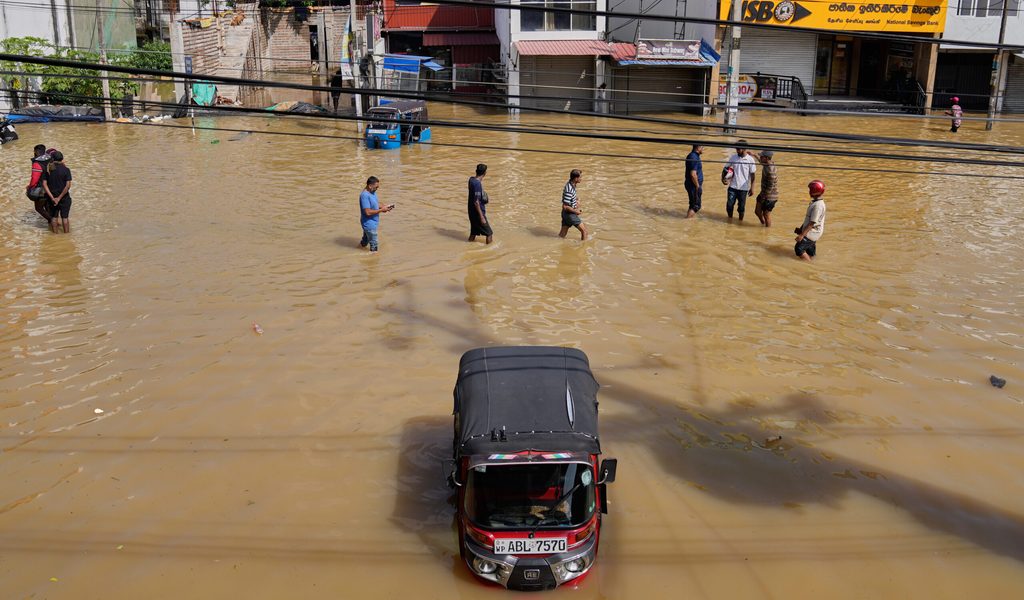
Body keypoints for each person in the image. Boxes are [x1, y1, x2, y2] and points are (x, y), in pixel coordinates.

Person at [793, 180, 827, 262]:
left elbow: (812, 223)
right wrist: (801, 229)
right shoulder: (816, 203)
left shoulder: (818, 206)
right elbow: (808, 219)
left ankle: (809, 265)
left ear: (813, 191)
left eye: (810, 190)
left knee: (799, 249)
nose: (809, 192)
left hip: (812, 232)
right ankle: (812, 263)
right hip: (813, 232)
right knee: (810, 252)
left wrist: (801, 235)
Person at [359, 176, 393, 252]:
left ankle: (359, 249)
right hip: (369, 224)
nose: (377, 188)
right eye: (376, 187)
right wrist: (381, 210)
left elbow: (375, 203)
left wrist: (384, 207)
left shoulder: (372, 192)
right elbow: (367, 212)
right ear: (370, 186)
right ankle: (373, 261)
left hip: (372, 223)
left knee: (365, 241)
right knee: (374, 244)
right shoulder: (364, 196)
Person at [724, 142, 757, 221]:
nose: (737, 151)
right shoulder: (733, 157)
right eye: (736, 149)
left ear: (744, 149)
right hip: (732, 186)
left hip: (743, 188)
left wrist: (752, 188)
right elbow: (725, 168)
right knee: (729, 205)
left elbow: (753, 175)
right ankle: (729, 220)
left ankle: (740, 221)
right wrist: (723, 179)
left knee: (741, 208)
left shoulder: (750, 160)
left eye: (738, 149)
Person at [43, 150, 72, 233]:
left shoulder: (48, 170)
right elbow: (68, 186)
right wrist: (59, 198)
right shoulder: (66, 170)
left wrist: (53, 198)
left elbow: (45, 185)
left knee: (54, 217)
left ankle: (55, 234)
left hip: (52, 198)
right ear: (62, 159)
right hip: (64, 198)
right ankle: (67, 235)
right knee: (65, 218)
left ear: (52, 158)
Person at [26, 144, 52, 224]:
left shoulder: (37, 163)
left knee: (38, 208)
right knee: (47, 205)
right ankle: (51, 226)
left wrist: (30, 187)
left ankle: (53, 221)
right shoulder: (50, 159)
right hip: (50, 187)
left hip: (41, 189)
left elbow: (34, 179)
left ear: (36, 152)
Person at [559, 169, 589, 241]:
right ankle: (583, 248)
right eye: (580, 177)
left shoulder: (572, 185)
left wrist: (576, 200)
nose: (581, 179)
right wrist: (576, 212)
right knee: (584, 231)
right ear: (576, 178)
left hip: (566, 214)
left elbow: (570, 198)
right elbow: (565, 206)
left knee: (561, 235)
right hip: (570, 214)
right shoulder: (569, 189)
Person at [467, 163, 493, 244]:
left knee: (474, 232)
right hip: (477, 213)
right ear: (485, 173)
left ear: (476, 171)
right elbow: (476, 202)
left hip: (471, 211)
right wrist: (481, 217)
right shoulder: (477, 184)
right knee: (489, 233)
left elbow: (472, 193)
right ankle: (489, 251)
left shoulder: (471, 179)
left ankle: (468, 245)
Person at [754, 150, 779, 227]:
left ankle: (767, 231)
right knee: (757, 211)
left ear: (766, 158)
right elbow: (761, 162)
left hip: (770, 196)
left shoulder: (771, 170)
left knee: (766, 215)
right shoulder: (766, 164)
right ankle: (763, 223)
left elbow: (770, 186)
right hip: (763, 193)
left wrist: (764, 197)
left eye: (762, 157)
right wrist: (754, 155)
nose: (760, 158)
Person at [684, 144, 704, 218]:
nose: (703, 149)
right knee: (696, 206)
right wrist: (697, 186)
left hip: (692, 184)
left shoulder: (693, 156)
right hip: (693, 185)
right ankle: (687, 221)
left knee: (692, 204)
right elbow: (693, 174)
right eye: (702, 147)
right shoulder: (694, 157)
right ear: (698, 148)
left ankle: (689, 220)